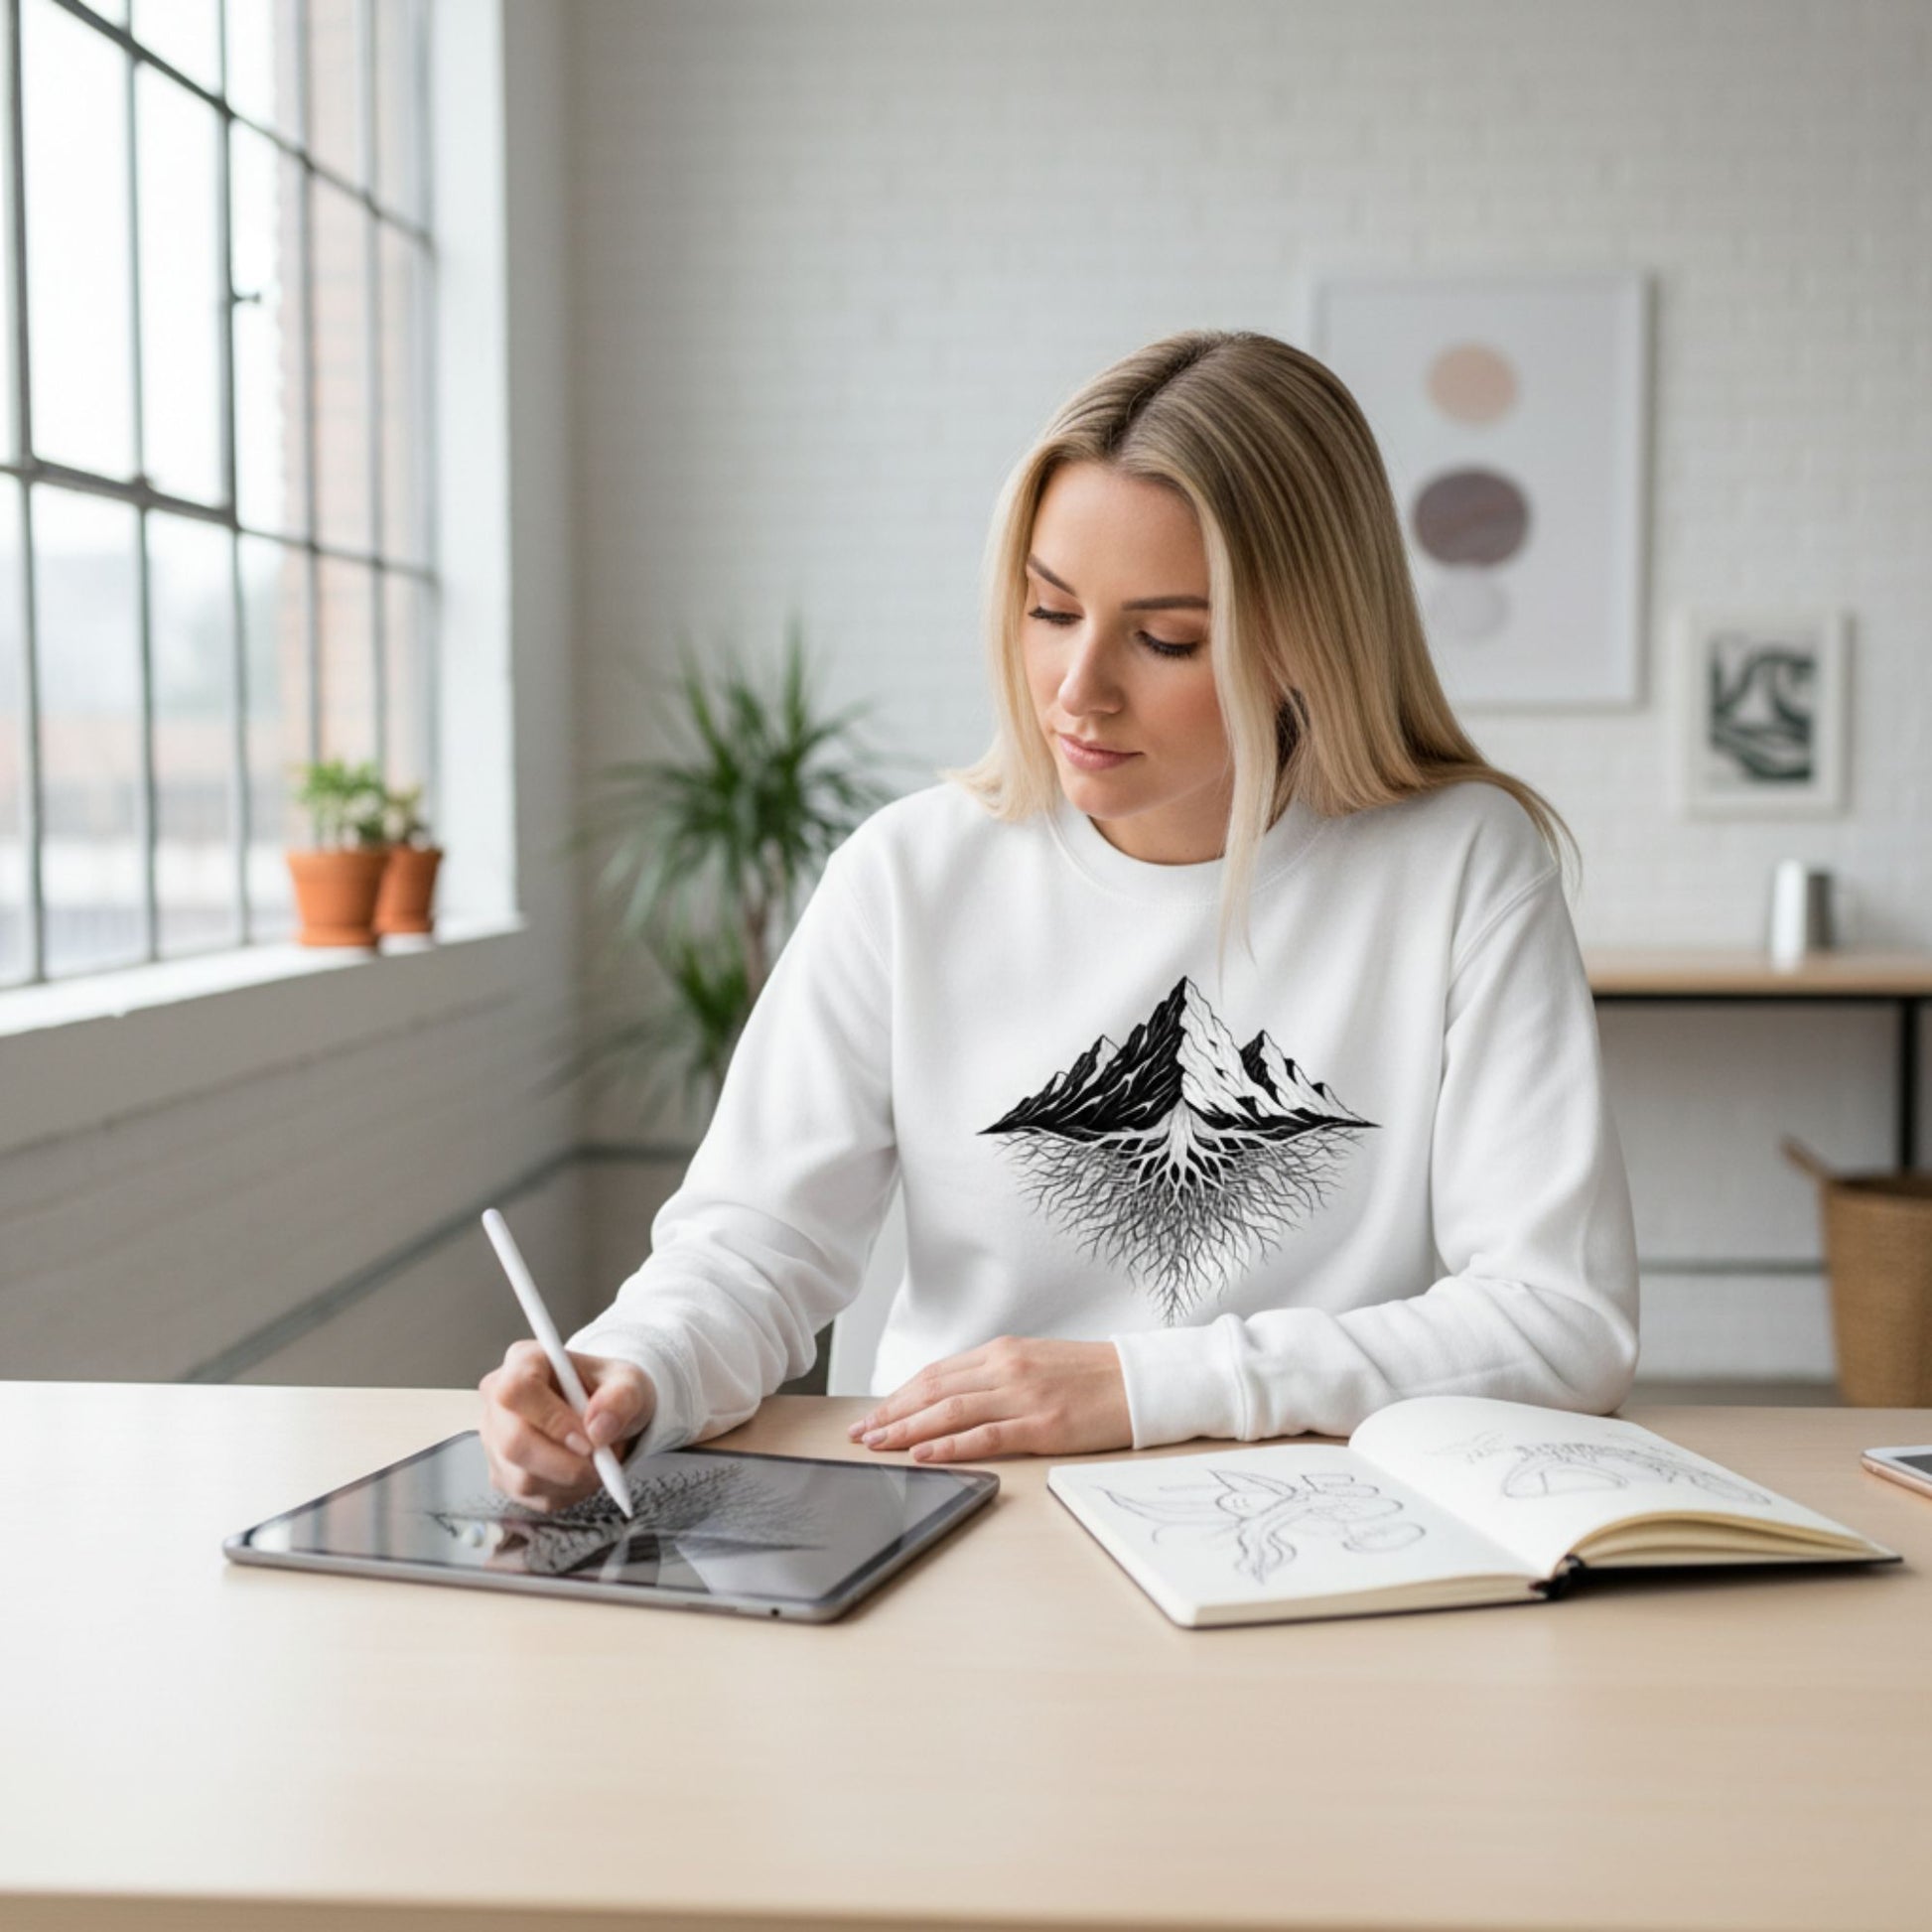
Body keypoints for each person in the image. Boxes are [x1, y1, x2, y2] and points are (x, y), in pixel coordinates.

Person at [479, 327, 1640, 1511]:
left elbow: (1559, 1319)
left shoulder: (1458, 865)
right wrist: (634, 1368)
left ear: (1306, 634)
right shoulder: (907, 873)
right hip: (958, 1512)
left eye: (1165, 637)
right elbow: (753, 1245)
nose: (1077, 689)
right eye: (1048, 609)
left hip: (1313, 1526)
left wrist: (1140, 1385)